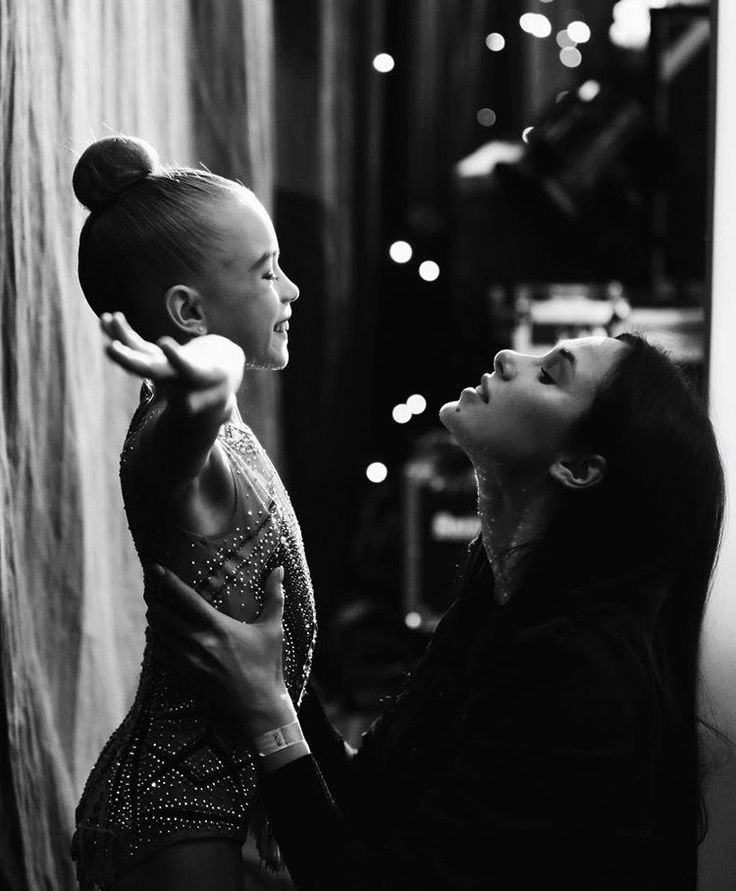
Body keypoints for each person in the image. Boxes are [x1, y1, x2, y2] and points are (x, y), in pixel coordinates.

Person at [145, 333, 725, 890]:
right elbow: (369, 798)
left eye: (549, 374)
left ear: (577, 467)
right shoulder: (498, 601)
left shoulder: (584, 678)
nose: (508, 357)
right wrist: (275, 686)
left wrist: (267, 712)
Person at [70, 135, 317, 891]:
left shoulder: (221, 432)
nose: (291, 290)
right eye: (267, 270)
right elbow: (209, 381)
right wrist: (210, 362)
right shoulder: (175, 450)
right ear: (189, 311)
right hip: (169, 817)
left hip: (211, 798)